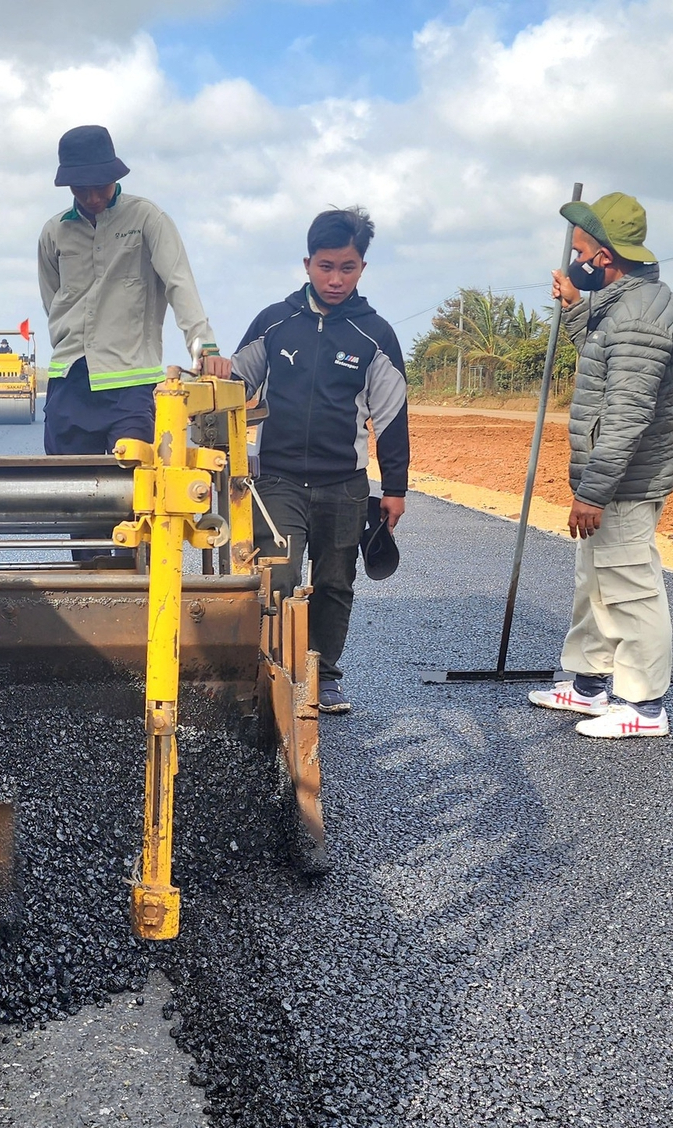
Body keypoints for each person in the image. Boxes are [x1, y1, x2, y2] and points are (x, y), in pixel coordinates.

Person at [229, 207, 409, 715]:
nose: (335, 279)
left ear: (362, 269)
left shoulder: (376, 336)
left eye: (347, 268)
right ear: (307, 264)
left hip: (345, 486)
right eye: (326, 267)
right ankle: (275, 673)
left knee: (335, 583)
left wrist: (394, 489)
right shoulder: (274, 323)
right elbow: (232, 390)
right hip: (278, 480)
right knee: (279, 577)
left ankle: (324, 676)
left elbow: (392, 418)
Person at [526, 192, 673, 739]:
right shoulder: (626, 304)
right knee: (595, 579)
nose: (574, 260)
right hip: (612, 474)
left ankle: (645, 708)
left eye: (580, 251)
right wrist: (575, 307)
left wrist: (593, 492)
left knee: (629, 585)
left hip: (624, 477)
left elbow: (626, 416)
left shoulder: (640, 314)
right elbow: (599, 357)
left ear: (605, 256)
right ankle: (590, 685)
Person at [37, 125, 231, 457]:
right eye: (83, 190)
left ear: (115, 175)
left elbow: (179, 284)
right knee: (66, 493)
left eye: (100, 186)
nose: (94, 198)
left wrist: (206, 352)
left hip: (130, 385)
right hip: (69, 381)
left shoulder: (147, 220)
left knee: (135, 492)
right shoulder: (54, 233)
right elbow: (53, 300)